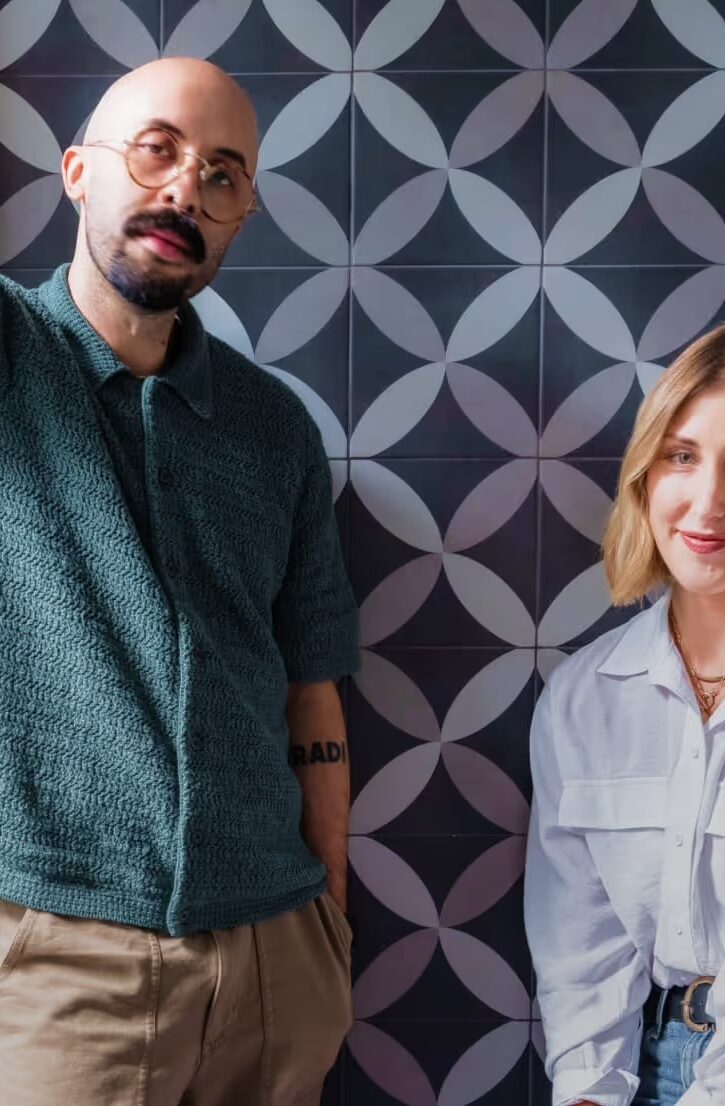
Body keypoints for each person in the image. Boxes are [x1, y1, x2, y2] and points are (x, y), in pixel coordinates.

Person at [0, 57, 358, 1104]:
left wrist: (328, 916)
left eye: (221, 175)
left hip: (279, 956)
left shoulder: (275, 426)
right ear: (77, 172)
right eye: (155, 151)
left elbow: (312, 688)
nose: (184, 191)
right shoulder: (12, 355)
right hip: (62, 958)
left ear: (242, 214)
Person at [525, 322, 725, 1106]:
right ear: (644, 477)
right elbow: (580, 953)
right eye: (682, 456)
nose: (708, 502)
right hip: (656, 1067)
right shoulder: (584, 698)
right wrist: (588, 1093)